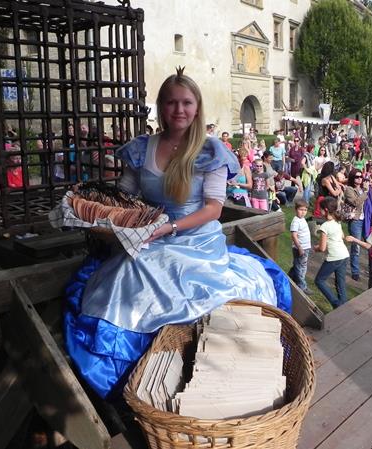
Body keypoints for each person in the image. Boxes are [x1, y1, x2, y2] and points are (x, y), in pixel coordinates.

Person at [65, 71, 289, 398]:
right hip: (148, 233)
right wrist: (112, 213)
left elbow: (213, 208)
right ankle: (144, 378)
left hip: (196, 238)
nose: (179, 109)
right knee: (129, 273)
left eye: (186, 102)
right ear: (161, 106)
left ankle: (192, 369)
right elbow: (125, 197)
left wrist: (167, 228)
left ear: (197, 108)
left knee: (179, 284)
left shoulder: (209, 150)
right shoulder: (141, 149)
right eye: (171, 102)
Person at [313, 197, 350, 309]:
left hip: (334, 257)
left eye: (321, 209)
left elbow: (323, 248)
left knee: (319, 280)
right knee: (340, 282)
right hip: (344, 254)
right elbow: (342, 236)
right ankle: (343, 307)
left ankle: (336, 303)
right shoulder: (337, 221)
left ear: (325, 210)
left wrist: (316, 248)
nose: (320, 211)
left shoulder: (325, 226)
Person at [342, 168, 368, 281]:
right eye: (357, 177)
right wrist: (365, 192)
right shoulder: (349, 189)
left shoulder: (363, 189)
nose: (359, 179)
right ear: (352, 178)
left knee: (369, 244)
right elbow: (356, 202)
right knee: (356, 247)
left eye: (361, 176)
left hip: (366, 220)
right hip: (355, 220)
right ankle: (355, 271)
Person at [288, 200, 312, 294]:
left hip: (306, 247)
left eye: (305, 210)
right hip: (300, 248)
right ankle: (302, 286)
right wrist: (299, 247)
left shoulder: (302, 219)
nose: (303, 212)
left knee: (298, 265)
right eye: (301, 210)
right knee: (300, 267)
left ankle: (289, 278)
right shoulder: (296, 221)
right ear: (296, 209)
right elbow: (294, 235)